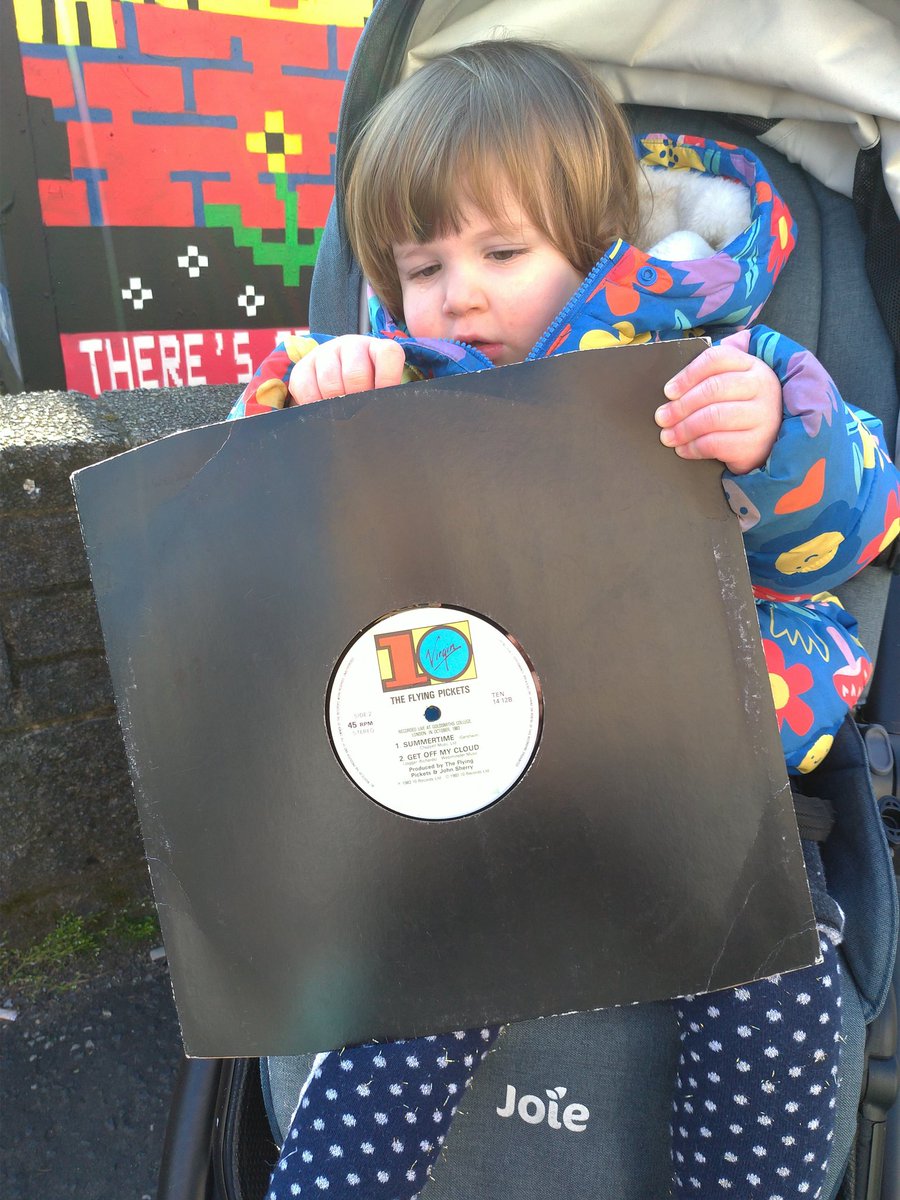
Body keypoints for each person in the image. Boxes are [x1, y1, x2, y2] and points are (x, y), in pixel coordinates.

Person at [229, 40, 900, 1200]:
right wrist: (309, 406)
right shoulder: (387, 377)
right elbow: (252, 535)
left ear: (596, 249)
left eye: (503, 251)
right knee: (419, 983)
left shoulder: (715, 368)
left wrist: (778, 442)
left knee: (777, 976)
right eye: (422, 265)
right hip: (472, 781)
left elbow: (859, 526)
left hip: (703, 768)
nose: (462, 293)